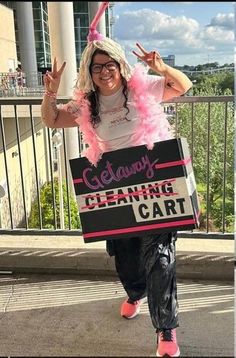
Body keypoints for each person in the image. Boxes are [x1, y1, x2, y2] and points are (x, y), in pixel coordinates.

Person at [41, 32, 192, 356]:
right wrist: (50, 92)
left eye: (110, 64)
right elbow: (52, 119)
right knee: (125, 256)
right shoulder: (88, 104)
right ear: (89, 72)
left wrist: (163, 68)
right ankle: (135, 292)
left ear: (120, 65)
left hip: (155, 187)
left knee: (161, 258)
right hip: (115, 190)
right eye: (97, 67)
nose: (104, 71)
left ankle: (166, 330)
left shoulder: (141, 89)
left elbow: (183, 86)